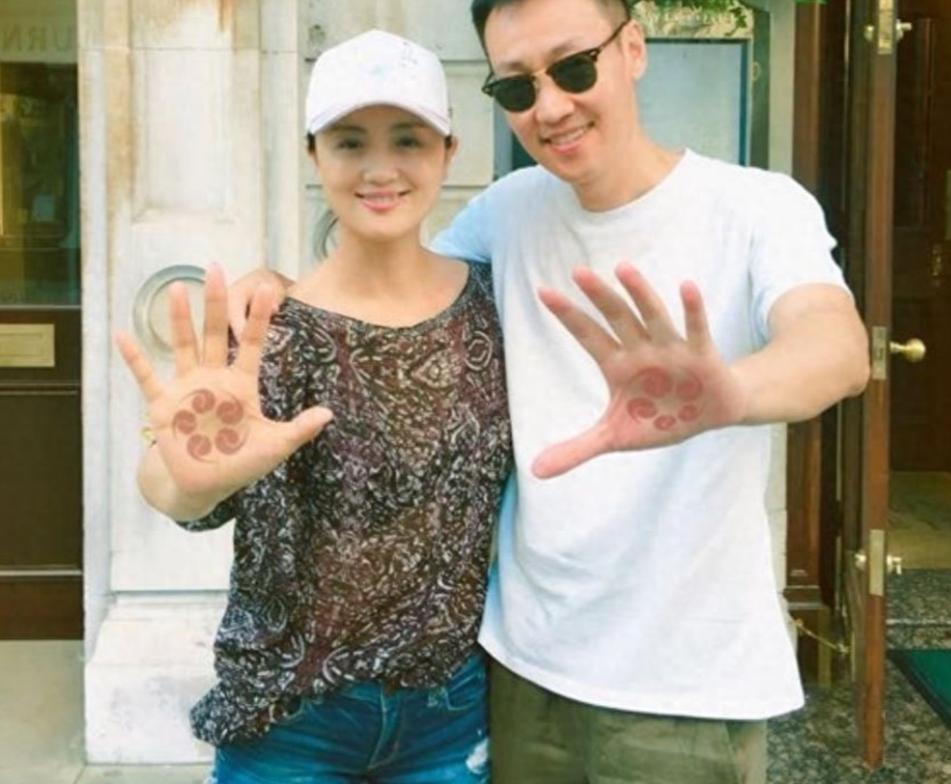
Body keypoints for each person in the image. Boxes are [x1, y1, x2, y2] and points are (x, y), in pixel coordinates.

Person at [229, 1, 871, 781]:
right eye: (517, 86)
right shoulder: (506, 211)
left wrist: (728, 393)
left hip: (679, 688)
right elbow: (392, 292)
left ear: (632, 48)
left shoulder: (756, 205)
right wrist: (276, 290)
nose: (552, 106)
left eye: (573, 67)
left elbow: (833, 346)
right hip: (516, 671)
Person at [116, 29, 511, 784]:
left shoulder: (494, 307)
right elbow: (177, 485)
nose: (380, 168)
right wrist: (188, 479)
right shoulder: (270, 330)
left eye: (408, 139)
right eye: (349, 142)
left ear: (448, 152)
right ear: (314, 155)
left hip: (448, 714)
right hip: (287, 722)